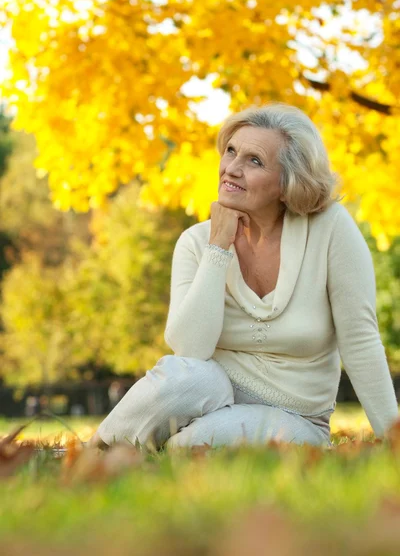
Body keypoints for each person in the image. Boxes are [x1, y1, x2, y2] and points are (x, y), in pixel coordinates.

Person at [88, 102, 399, 452]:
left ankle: (161, 446)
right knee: (182, 379)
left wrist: (394, 438)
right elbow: (190, 350)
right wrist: (218, 247)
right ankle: (92, 452)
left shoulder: (329, 228)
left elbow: (359, 339)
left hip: (294, 415)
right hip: (212, 390)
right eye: (231, 152)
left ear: (286, 183)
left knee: (192, 446)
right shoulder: (195, 243)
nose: (231, 169)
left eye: (254, 161)